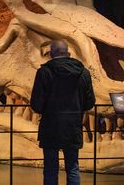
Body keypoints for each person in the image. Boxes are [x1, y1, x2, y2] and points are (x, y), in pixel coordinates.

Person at [31, 40, 95, 185]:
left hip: (50, 127)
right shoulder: (83, 73)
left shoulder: (44, 72)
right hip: (73, 126)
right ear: (69, 53)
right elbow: (90, 102)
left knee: (50, 169)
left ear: (51, 54)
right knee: (73, 168)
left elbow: (36, 104)